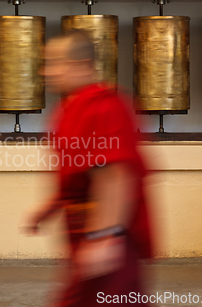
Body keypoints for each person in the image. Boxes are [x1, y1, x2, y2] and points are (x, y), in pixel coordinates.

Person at [22, 30, 153, 306]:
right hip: (83, 231)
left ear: (81, 65)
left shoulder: (104, 107)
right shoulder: (70, 108)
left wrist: (104, 237)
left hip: (105, 232)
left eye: (54, 62)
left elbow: (115, 177)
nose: (46, 72)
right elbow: (75, 169)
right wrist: (50, 207)